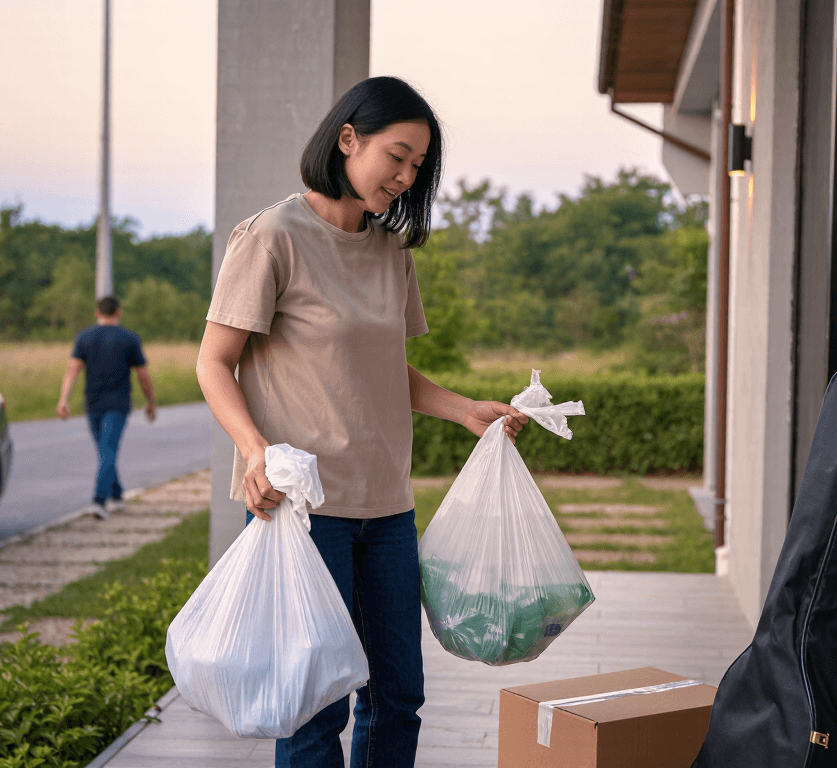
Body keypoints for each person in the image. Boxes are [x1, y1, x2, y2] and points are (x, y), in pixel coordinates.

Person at [197, 76, 529, 768]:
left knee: (397, 697)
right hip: (304, 510)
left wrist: (466, 409)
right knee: (314, 709)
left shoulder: (390, 251)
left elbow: (382, 369)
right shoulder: (272, 238)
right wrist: (253, 449)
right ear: (348, 140)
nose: (406, 178)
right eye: (397, 157)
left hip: (388, 511)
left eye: (419, 167)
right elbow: (213, 363)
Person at [58, 295, 157, 519]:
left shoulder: (84, 336)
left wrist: (63, 398)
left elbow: (72, 369)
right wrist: (150, 402)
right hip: (118, 403)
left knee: (106, 452)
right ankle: (117, 494)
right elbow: (143, 375)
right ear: (118, 312)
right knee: (107, 453)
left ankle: (98, 501)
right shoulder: (130, 338)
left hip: (92, 403)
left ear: (97, 313)